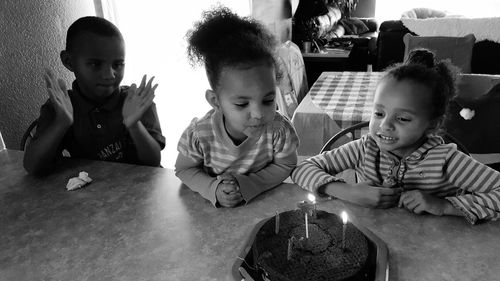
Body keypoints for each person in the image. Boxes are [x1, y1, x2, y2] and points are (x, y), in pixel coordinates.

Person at [292, 49, 500, 224]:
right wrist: (347, 191)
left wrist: (444, 205)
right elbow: (302, 169)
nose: (385, 125)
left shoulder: (446, 161)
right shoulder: (365, 149)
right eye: (379, 113)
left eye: (402, 118)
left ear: (432, 124)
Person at [175, 6, 299, 208]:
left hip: (263, 209)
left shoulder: (279, 130)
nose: (259, 114)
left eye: (268, 100)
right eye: (242, 104)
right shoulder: (200, 134)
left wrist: (251, 185)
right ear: (215, 101)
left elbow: (286, 164)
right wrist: (212, 188)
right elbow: (184, 169)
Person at [24, 16, 165, 175]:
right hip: (92, 194)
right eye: (95, 64)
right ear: (69, 61)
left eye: (117, 65)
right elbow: (32, 167)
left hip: (141, 191)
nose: (109, 75)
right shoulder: (60, 107)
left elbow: (153, 162)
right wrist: (61, 122)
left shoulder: (136, 102)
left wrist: (134, 125)